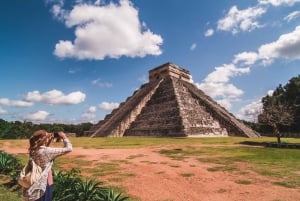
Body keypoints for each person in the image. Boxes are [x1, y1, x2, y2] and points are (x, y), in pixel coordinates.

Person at [22, 130, 72, 201]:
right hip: (43, 185)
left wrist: (48, 140)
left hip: (33, 183)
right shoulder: (46, 152)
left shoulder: (33, 150)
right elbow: (69, 148)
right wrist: (64, 137)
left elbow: (43, 149)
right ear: (44, 139)